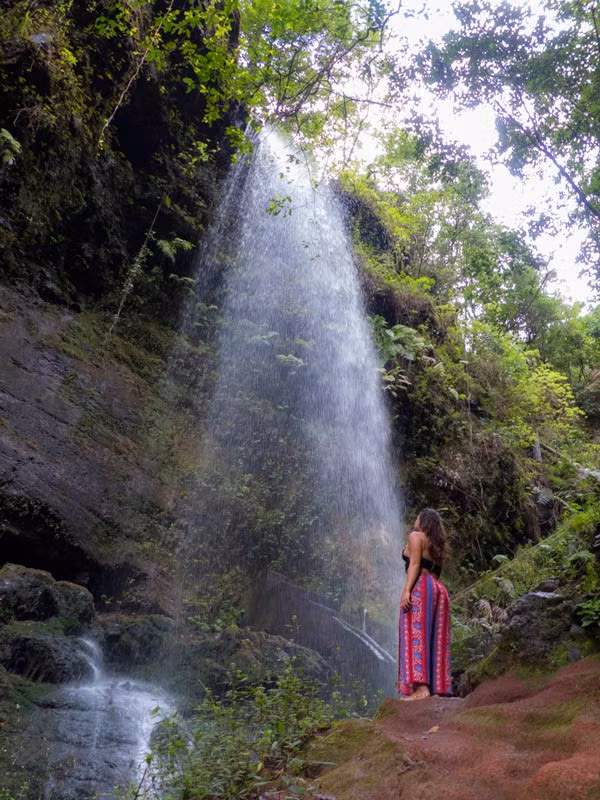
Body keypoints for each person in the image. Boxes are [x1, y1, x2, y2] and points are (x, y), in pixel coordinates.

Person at [398, 507, 452, 700]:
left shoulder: (416, 536)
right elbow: (436, 573)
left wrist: (406, 590)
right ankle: (435, 687)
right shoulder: (437, 545)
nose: (415, 519)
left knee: (415, 633)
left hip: (421, 586)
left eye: (418, 517)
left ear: (423, 521)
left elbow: (414, 565)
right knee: (434, 637)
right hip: (438, 591)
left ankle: (420, 688)